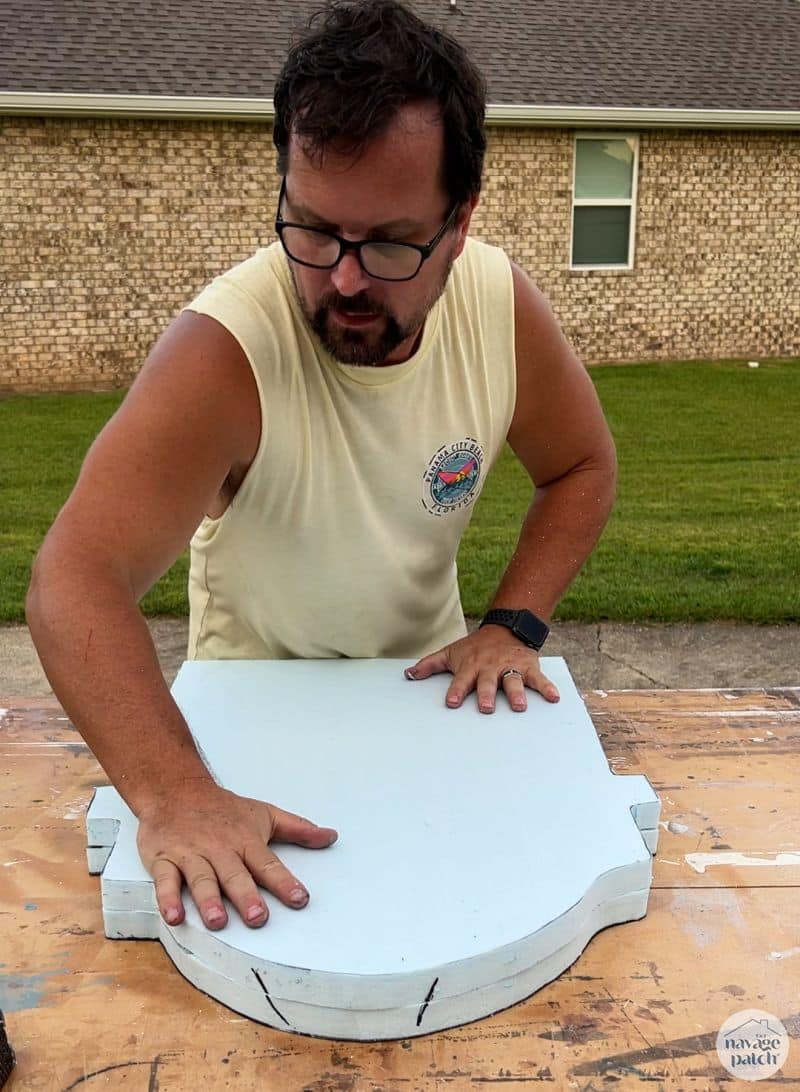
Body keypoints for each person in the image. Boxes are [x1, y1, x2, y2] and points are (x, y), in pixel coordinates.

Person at [26, 0, 616, 934]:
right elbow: (73, 581)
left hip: (430, 706)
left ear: (458, 222)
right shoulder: (224, 350)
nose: (342, 279)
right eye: (312, 230)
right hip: (249, 727)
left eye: (388, 242)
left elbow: (581, 465)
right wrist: (176, 795)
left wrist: (513, 625)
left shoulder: (499, 304)